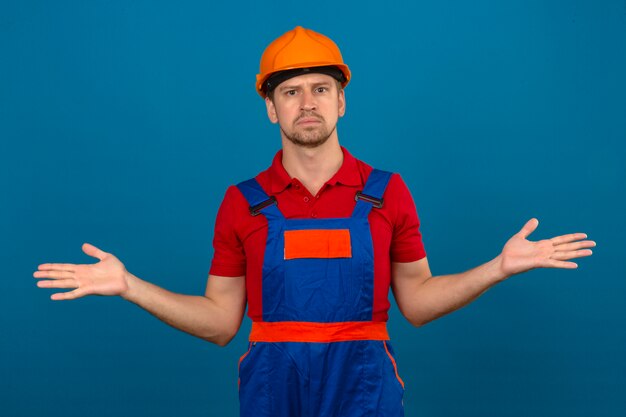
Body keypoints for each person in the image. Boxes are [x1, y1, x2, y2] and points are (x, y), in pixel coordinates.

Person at [34, 26, 595, 417]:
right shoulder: (243, 202)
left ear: (342, 101)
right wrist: (131, 287)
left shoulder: (386, 193)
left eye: (321, 89)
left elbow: (418, 304)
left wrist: (495, 268)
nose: (308, 102)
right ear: (271, 108)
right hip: (273, 386)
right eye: (291, 91)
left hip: (365, 383)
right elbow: (220, 322)